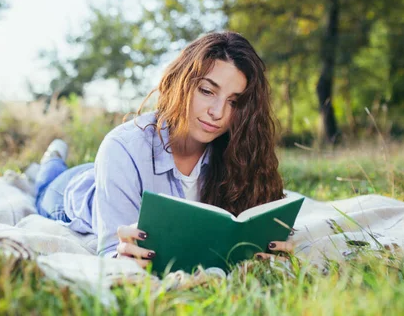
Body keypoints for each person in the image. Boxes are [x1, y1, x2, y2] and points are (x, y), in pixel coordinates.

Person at [33, 31, 293, 268]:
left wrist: (268, 247)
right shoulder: (122, 147)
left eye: (234, 102)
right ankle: (52, 157)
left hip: (112, 174)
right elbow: (113, 251)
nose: (218, 113)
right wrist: (121, 256)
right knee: (47, 181)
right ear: (181, 83)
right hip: (72, 193)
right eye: (206, 91)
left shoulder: (235, 150)